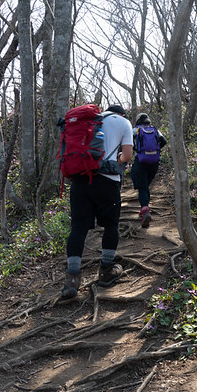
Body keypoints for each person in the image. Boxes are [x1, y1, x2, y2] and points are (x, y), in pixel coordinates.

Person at [61, 105, 133, 299]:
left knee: (78, 228)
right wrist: (117, 158)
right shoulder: (124, 123)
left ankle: (72, 280)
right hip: (107, 182)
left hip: (80, 180)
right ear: (122, 114)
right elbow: (127, 156)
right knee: (111, 225)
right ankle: (105, 271)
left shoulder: (89, 122)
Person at [130, 113, 167, 228]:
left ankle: (145, 211)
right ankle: (145, 209)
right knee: (145, 186)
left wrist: (138, 150)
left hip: (140, 162)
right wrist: (155, 151)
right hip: (154, 162)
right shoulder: (155, 130)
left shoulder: (135, 130)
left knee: (142, 187)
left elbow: (129, 144)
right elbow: (164, 141)